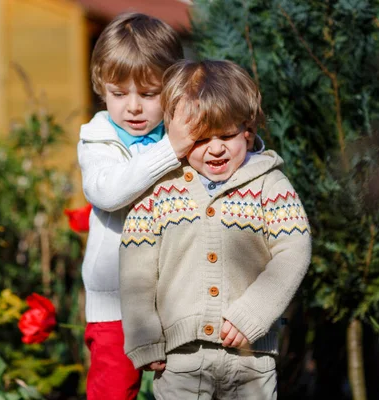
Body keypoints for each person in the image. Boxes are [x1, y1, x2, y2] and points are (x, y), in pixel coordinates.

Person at [119, 59, 312, 399]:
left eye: (227, 135)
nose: (216, 148)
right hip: (180, 360)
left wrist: (251, 314)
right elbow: (137, 266)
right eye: (201, 138)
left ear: (248, 131)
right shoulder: (159, 190)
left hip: (251, 357)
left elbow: (293, 251)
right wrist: (145, 337)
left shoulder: (271, 185)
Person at [77, 12, 194, 400]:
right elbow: (108, 192)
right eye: (118, 93)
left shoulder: (179, 134)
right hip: (116, 302)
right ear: (101, 88)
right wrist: (169, 151)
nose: (133, 107)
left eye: (148, 94)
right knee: (113, 390)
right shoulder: (97, 140)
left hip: (174, 297)